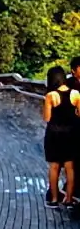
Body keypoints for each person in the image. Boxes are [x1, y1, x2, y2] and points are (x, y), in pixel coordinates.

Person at [42, 66, 79, 206]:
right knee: (70, 167)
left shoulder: (51, 95)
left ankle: (54, 199)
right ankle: (69, 199)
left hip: (54, 134)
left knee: (54, 167)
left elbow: (47, 117)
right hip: (71, 134)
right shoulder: (76, 94)